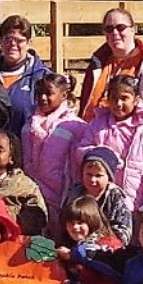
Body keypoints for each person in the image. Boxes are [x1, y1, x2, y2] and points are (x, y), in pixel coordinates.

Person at [79, 8, 143, 129]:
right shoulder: (97, 66)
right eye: (109, 29)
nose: (115, 33)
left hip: (134, 138)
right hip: (92, 133)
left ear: (133, 30)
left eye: (121, 27)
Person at [80, 75, 143, 212]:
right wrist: (104, 158)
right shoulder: (98, 124)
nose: (118, 103)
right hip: (102, 198)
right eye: (114, 98)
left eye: (124, 98)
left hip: (136, 199)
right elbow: (82, 150)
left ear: (136, 100)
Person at [0, 130, 50, 240]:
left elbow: (38, 218)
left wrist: (6, 219)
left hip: (14, 246)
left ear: (11, 158)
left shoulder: (24, 185)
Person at [51, 197, 123, 284]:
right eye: (71, 223)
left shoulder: (108, 244)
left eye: (80, 223)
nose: (75, 227)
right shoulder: (68, 245)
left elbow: (112, 277)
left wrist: (73, 256)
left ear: (92, 221)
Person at [24, 74, 89, 209]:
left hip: (62, 198)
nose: (43, 98)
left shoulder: (75, 126)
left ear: (64, 95)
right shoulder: (29, 125)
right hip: (32, 195)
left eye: (49, 94)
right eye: (39, 93)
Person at [64, 147, 136, 241]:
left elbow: (123, 232)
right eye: (89, 175)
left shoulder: (115, 197)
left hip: (106, 249)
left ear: (108, 177)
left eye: (98, 176)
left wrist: (95, 244)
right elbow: (64, 222)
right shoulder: (74, 193)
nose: (92, 180)